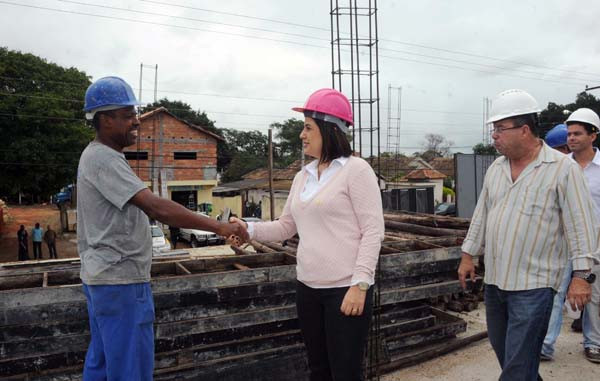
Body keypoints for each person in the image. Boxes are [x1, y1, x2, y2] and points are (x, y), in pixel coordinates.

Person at [78, 76, 248, 380]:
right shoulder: (104, 159)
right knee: (129, 369)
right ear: (105, 119)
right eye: (128, 115)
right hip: (121, 283)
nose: (136, 122)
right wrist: (219, 227)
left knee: (104, 365)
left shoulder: (101, 156)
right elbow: (157, 207)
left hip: (104, 280)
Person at [231, 88, 384, 380]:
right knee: (318, 371)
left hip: (345, 289)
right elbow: (286, 226)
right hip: (308, 289)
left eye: (308, 127)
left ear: (330, 129)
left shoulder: (357, 170)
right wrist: (247, 229)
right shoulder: (304, 175)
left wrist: (360, 284)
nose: (302, 134)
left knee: (346, 373)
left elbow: (373, 231)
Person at [457, 89, 598, 380]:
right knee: (509, 355)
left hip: (535, 285)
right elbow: (483, 213)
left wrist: (581, 277)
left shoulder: (562, 169)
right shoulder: (496, 168)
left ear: (524, 130)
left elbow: (582, 226)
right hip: (496, 281)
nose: (494, 135)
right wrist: (468, 254)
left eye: (499, 129)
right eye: (493, 129)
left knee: (518, 365)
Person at [541, 108, 600, 363]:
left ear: (593, 135)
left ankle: (594, 343)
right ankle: (545, 344)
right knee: (555, 292)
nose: (571, 138)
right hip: (562, 241)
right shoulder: (560, 167)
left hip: (596, 242)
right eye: (569, 134)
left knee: (595, 296)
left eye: (577, 133)